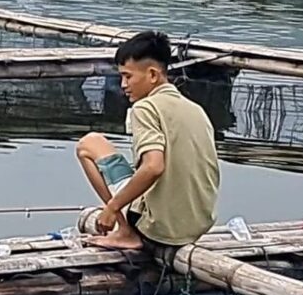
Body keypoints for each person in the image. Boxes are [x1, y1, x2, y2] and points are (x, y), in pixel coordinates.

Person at [76, 31, 220, 251]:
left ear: (153, 75)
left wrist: (112, 208)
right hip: (196, 226)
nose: (123, 84)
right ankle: (133, 221)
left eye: (128, 76)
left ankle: (126, 232)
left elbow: (154, 166)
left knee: (89, 144)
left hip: (159, 230)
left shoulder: (144, 108)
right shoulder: (196, 110)